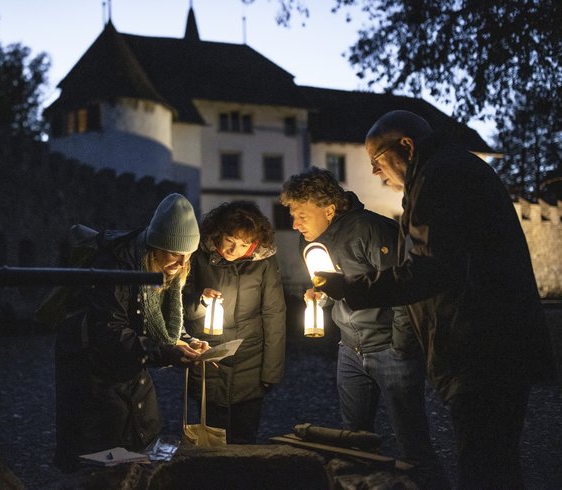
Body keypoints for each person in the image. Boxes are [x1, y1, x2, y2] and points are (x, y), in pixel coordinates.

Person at [313, 110, 556, 489]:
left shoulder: (439, 176)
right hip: (488, 346)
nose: (376, 173)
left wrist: (351, 287)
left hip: (482, 348)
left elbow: (432, 268)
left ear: (406, 147)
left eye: (376, 161)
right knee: (493, 463)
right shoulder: (448, 169)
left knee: (484, 468)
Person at [279, 168, 444, 482]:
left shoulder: (373, 230)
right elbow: (338, 289)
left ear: (328, 209)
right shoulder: (313, 243)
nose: (295, 224)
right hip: (350, 350)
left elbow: (402, 290)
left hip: (389, 350)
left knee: (412, 444)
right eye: (293, 215)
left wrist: (400, 346)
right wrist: (320, 297)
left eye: (301, 214)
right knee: (354, 442)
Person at [53, 193, 209, 471]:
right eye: (175, 253)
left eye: (188, 255)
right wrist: (165, 352)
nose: (182, 262)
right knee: (101, 465)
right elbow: (110, 332)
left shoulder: (165, 269)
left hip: (132, 378)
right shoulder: (118, 265)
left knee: (139, 456)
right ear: (156, 245)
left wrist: (186, 341)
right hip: (95, 381)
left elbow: (164, 322)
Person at [182, 201, 286, 444]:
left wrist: (271, 371)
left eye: (243, 244)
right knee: (209, 438)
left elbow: (274, 313)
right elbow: (178, 304)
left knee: (245, 436)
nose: (234, 249)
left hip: (250, 361)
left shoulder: (265, 262)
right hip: (208, 358)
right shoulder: (198, 255)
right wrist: (201, 301)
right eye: (230, 239)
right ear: (219, 232)